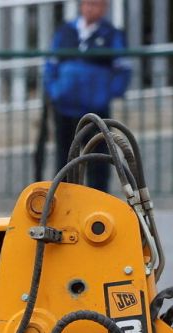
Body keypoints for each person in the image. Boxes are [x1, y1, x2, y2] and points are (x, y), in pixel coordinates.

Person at [43, 0, 131, 192]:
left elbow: (123, 68)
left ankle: (97, 200)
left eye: (96, 4)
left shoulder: (111, 34)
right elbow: (50, 64)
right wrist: (55, 90)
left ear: (104, 8)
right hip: (65, 107)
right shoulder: (65, 31)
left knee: (98, 161)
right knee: (64, 160)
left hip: (95, 110)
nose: (91, 8)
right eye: (88, 3)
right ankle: (63, 199)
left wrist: (106, 94)